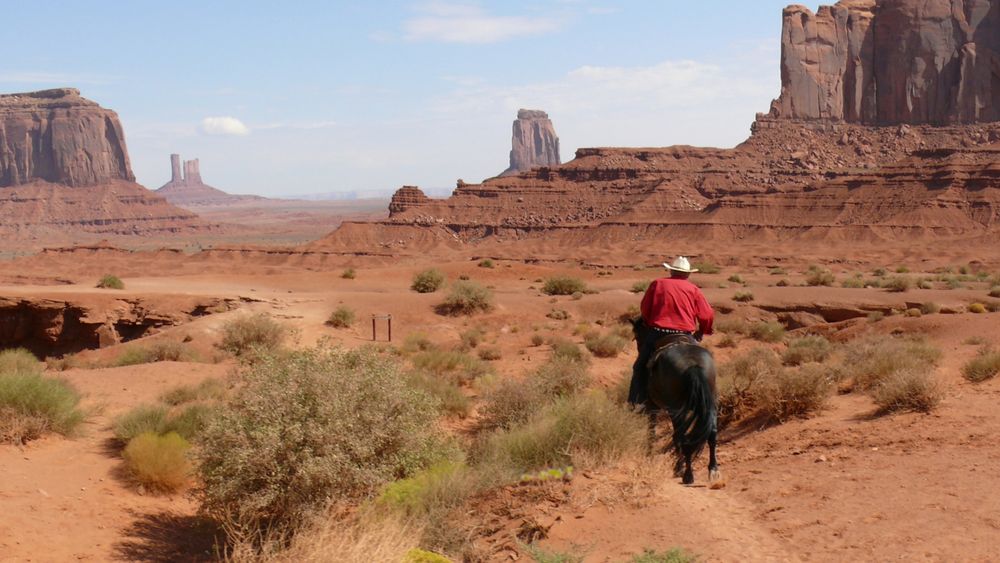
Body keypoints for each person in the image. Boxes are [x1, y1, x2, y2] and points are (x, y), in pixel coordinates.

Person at [629, 256, 715, 407]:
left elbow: (645, 308)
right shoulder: (694, 289)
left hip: (659, 332)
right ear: (688, 274)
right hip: (686, 335)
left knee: (639, 366)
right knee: (704, 362)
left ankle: (636, 403)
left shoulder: (658, 284)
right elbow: (707, 314)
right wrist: (702, 331)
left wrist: (649, 323)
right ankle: (712, 402)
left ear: (671, 271)